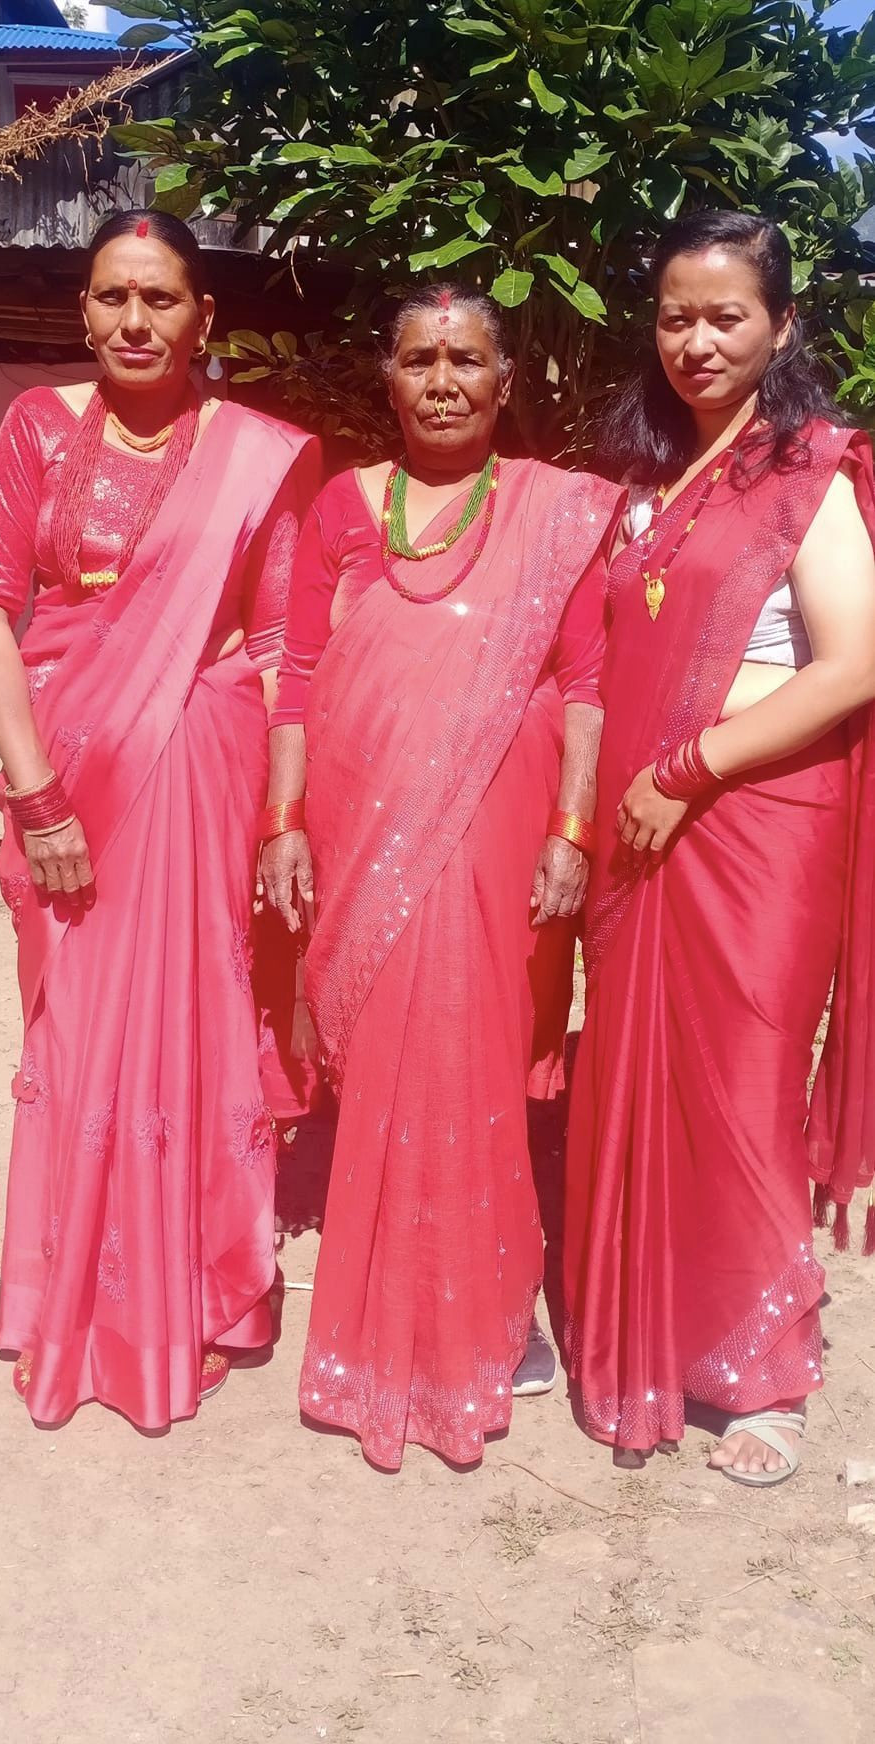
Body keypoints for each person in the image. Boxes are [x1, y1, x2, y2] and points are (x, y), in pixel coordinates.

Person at [0, 208, 319, 1429]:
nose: (134, 319)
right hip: (65, 770)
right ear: (84, 309)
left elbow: (280, 641)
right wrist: (36, 793)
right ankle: (74, 1290)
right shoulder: (37, 426)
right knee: (75, 1031)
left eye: (159, 297)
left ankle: (187, 1295)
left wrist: (282, 809)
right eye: (113, 295)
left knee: (190, 1025)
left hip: (199, 773)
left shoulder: (258, 452)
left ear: (202, 317)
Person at [259, 284, 620, 1469]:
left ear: (504, 382)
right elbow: (297, 672)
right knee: (383, 1067)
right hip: (360, 828)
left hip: (498, 831)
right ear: (389, 377)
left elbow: (586, 681)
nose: (444, 380)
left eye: (467, 359)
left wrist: (572, 826)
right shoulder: (343, 505)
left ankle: (494, 1305)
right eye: (420, 358)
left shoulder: (551, 512)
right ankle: (384, 1314)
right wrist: (283, 820)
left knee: (477, 1055)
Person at [563, 211, 875, 1485]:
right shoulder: (647, 478)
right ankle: (647, 1329)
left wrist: (690, 768)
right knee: (639, 1078)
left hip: (757, 819)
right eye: (675, 317)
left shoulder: (812, 473)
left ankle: (765, 1372)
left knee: (742, 1088)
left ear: (781, 325)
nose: (695, 340)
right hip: (645, 827)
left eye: (725, 315)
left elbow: (851, 665)